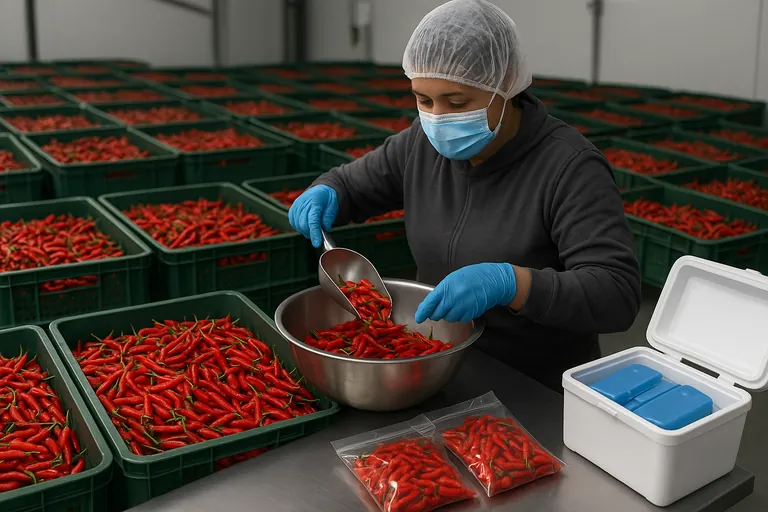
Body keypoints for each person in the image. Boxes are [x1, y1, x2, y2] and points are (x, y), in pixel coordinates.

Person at [288, 0, 641, 392]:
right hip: (439, 364)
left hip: (537, 386)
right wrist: (327, 190)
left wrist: (513, 283)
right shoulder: (420, 144)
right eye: (424, 101)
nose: (438, 118)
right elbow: (353, 183)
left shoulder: (569, 167)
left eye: (457, 103)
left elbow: (617, 293)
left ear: (504, 88)